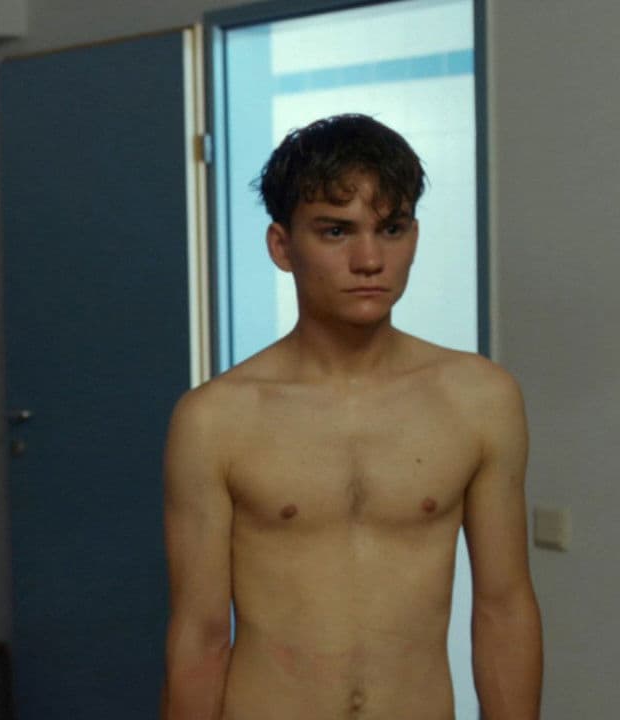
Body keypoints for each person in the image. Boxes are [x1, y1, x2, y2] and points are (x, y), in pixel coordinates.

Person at [162, 114, 542, 719]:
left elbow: (504, 609)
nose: (369, 259)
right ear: (282, 247)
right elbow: (200, 635)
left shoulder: (479, 398)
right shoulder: (215, 419)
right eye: (336, 231)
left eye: (391, 229)